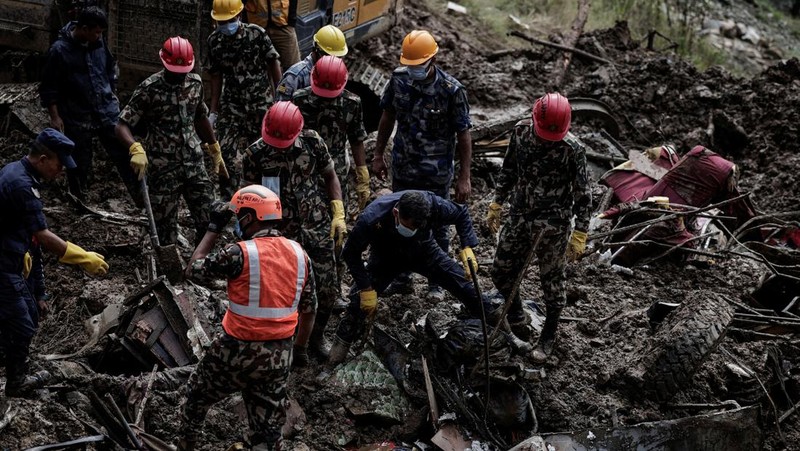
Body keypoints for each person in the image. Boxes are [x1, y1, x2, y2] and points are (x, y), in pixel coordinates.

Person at [179, 185, 316, 451]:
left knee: (196, 397)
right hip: (278, 356)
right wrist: (298, 351)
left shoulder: (239, 252)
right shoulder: (301, 255)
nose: (237, 222)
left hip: (234, 352)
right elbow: (309, 311)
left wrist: (213, 228)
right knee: (268, 429)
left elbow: (193, 271)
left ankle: (187, 444)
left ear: (250, 217)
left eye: (238, 215)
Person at [0, 129, 108, 397]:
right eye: (59, 165)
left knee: (30, 314)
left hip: (11, 262)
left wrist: (39, 290)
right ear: (44, 158)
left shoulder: (20, 174)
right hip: (2, 266)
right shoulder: (22, 186)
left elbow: (30, 241)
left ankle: (13, 364)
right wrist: (83, 257)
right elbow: (42, 236)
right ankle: (16, 384)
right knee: (21, 324)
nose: (61, 171)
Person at [329, 190, 492, 365]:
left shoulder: (432, 205)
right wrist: (365, 288)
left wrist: (467, 246)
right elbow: (351, 254)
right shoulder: (371, 218)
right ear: (396, 213)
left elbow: (461, 212)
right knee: (357, 305)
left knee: (466, 286)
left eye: (417, 227)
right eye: (409, 227)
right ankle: (334, 359)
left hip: (424, 252)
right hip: (386, 259)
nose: (412, 230)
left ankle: (498, 331)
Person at [486, 93, 591, 363]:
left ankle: (549, 335)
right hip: (520, 213)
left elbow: (583, 196)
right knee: (500, 270)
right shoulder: (521, 132)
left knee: (552, 283)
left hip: (553, 224)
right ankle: (517, 316)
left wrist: (580, 232)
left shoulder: (573, 149)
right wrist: (497, 202)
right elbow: (508, 169)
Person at [372, 30, 473, 301]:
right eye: (410, 64)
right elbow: (387, 116)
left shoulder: (452, 91)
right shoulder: (398, 80)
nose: (413, 69)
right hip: (404, 167)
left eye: (418, 64)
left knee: (437, 226)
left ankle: (436, 282)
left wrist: (465, 176)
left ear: (432, 59)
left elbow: (463, 134)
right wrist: (378, 154)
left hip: (436, 172)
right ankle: (402, 278)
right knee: (400, 222)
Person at [241, 101, 345, 360]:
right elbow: (246, 197)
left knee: (327, 289)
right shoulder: (255, 154)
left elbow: (331, 175)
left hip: (317, 225)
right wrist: (248, 235)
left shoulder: (312, 143)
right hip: (280, 233)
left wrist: (338, 211)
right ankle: (288, 341)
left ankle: (315, 338)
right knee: (281, 292)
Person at [115, 36, 228, 246]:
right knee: (164, 226)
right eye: (175, 73)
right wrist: (134, 147)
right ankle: (170, 268)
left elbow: (200, 117)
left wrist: (214, 148)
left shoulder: (195, 83)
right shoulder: (149, 89)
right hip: (163, 167)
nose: (179, 77)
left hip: (193, 163)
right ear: (164, 63)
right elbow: (121, 125)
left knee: (209, 216)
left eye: (183, 72)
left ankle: (202, 263)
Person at [38, 6, 141, 206]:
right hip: (77, 113)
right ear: (84, 29)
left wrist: (112, 91)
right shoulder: (59, 51)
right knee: (80, 161)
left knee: (123, 151)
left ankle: (141, 197)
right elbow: (49, 87)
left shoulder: (98, 43)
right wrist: (55, 116)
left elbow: (109, 67)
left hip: (105, 109)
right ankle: (79, 200)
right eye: (96, 32)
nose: (99, 36)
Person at [208, 0, 283, 198]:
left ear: (239, 16)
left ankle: (264, 199)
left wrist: (280, 99)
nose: (225, 26)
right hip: (232, 106)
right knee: (224, 154)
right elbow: (216, 75)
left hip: (260, 104)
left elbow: (273, 63)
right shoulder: (215, 41)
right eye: (221, 22)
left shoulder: (256, 34)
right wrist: (213, 111)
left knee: (264, 155)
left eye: (229, 20)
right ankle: (229, 201)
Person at [274, 24, 348, 101]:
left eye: (338, 57)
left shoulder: (339, 71)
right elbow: (281, 107)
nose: (332, 61)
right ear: (315, 50)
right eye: (328, 56)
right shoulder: (295, 77)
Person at [243, 0, 301, 71]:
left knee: (294, 67)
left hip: (283, 24)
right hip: (256, 27)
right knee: (256, 67)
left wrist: (291, 20)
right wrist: (245, 24)